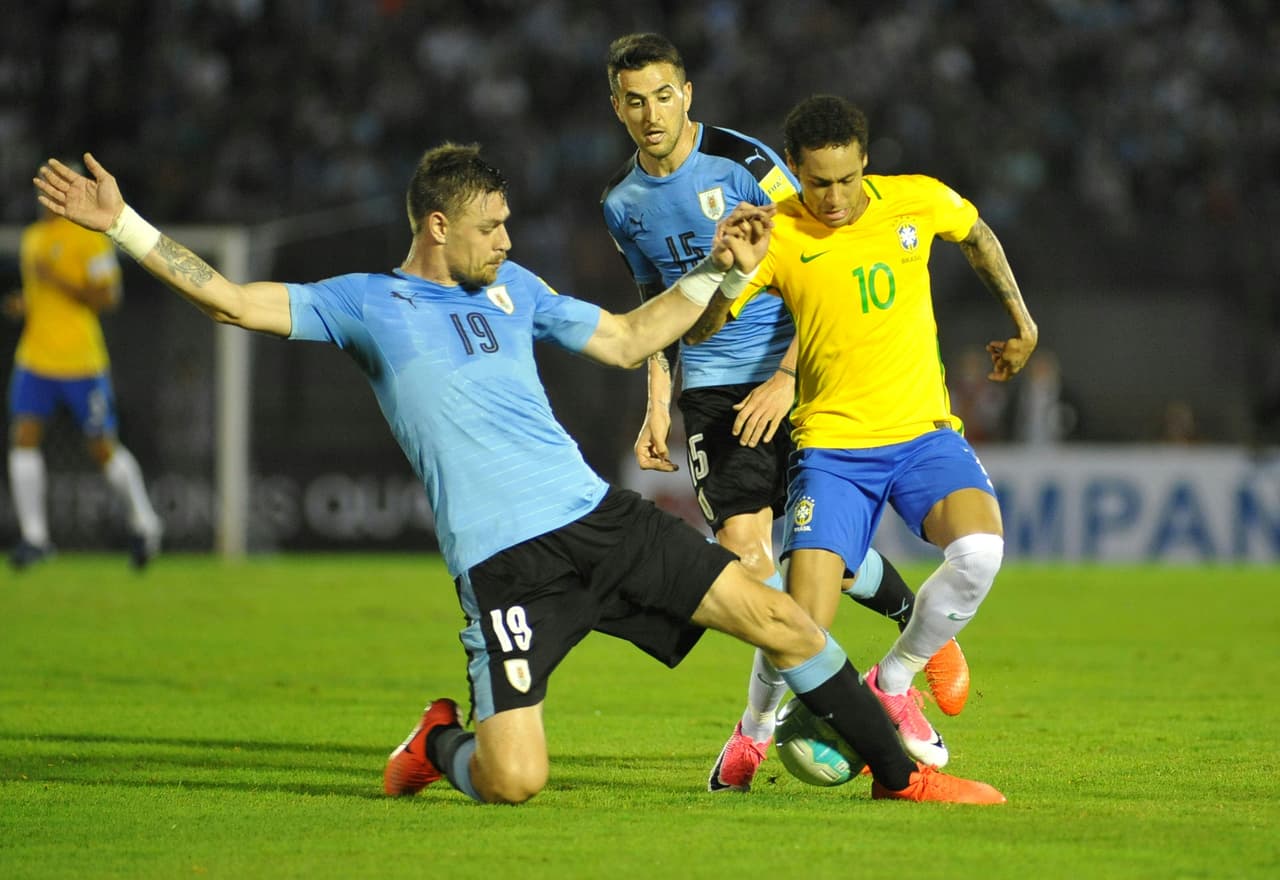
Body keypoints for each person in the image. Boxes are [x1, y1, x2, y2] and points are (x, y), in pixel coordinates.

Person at [36, 147, 1006, 805]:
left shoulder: (514, 287)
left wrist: (716, 272)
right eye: (490, 226)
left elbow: (630, 338)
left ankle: (898, 777)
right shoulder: (364, 305)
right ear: (434, 225)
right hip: (505, 571)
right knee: (513, 779)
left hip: (599, 520)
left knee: (784, 617)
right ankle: (436, 744)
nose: (506, 240)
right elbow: (231, 301)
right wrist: (120, 222)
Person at [600, 33, 968, 792]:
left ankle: (782, 722)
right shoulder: (621, 204)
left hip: (800, 380)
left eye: (662, 95)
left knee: (813, 556)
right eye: (634, 100)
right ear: (617, 107)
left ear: (687, 93)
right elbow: (654, 310)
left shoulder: (748, 164)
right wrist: (656, 408)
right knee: (754, 563)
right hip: (709, 391)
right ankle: (803, 704)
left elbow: (822, 262)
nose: (650, 113)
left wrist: (788, 377)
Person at [688, 95, 1038, 767]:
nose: (836, 196)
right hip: (834, 451)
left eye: (847, 178)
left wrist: (1022, 324)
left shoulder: (916, 200)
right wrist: (725, 269)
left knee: (981, 554)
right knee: (801, 623)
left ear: (865, 161)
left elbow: (978, 236)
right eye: (819, 182)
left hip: (923, 436)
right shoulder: (776, 233)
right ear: (793, 168)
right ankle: (754, 733)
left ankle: (895, 679)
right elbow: (702, 331)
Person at [6, 173, 162, 571]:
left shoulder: (89, 238)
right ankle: (35, 539)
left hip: (80, 362)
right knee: (23, 437)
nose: (45, 199)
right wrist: (28, 303)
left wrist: (58, 281)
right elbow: (45, 297)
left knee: (102, 446)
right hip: (35, 358)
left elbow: (108, 296)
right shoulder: (33, 239)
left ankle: (144, 522)